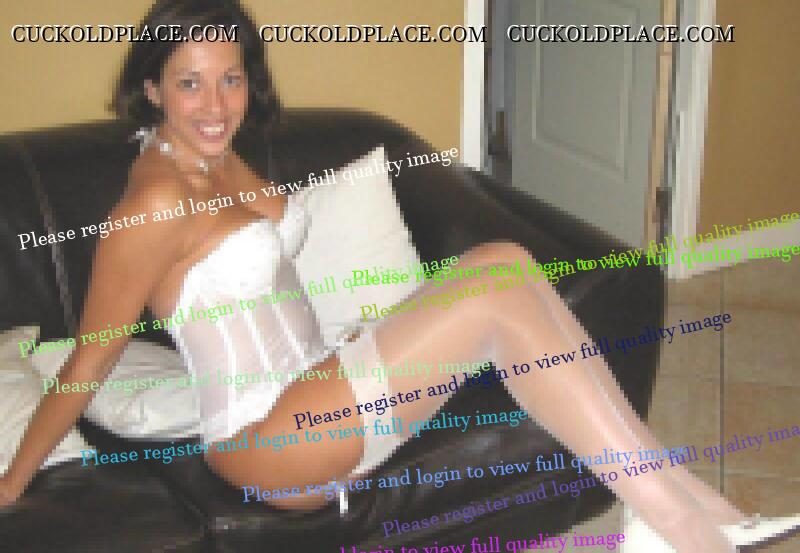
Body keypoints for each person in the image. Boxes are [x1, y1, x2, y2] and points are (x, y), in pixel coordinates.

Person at [1, 1, 796, 551]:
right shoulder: (152, 202)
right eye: (189, 82)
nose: (216, 103)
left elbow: (269, 269)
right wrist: (12, 483)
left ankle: (680, 506)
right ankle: (678, 521)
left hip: (317, 385)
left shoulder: (214, 152)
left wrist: (356, 337)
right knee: (496, 278)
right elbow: (89, 362)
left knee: (508, 273)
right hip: (265, 438)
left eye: (231, 78)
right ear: (150, 87)